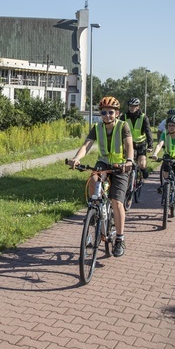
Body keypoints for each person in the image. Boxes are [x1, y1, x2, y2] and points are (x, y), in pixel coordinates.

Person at [68, 96, 134, 257]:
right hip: (103, 163)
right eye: (104, 112)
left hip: (120, 166)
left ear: (117, 113)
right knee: (92, 180)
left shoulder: (123, 126)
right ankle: (95, 208)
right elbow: (86, 145)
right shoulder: (97, 128)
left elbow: (129, 145)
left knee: (117, 202)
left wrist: (129, 160)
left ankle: (119, 238)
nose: (107, 116)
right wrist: (77, 158)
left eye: (111, 112)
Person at [119, 97, 152, 179]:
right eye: (130, 106)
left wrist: (150, 145)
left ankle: (143, 170)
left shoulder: (143, 117)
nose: (132, 108)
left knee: (142, 164)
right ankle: (129, 181)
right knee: (129, 163)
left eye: (134, 106)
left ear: (138, 107)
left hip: (141, 143)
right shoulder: (124, 117)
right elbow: (118, 131)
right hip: (129, 143)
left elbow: (148, 131)